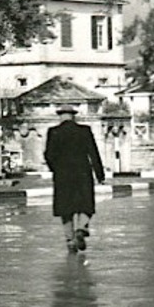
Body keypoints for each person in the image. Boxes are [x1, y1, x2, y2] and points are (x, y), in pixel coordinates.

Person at [45, 104, 105, 253]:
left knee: (65, 208)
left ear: (60, 116)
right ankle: (81, 229)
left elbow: (48, 155)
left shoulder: (54, 132)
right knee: (85, 204)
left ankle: (70, 240)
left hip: (62, 175)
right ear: (73, 115)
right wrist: (100, 174)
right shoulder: (84, 131)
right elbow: (93, 153)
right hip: (82, 173)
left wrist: (55, 169)